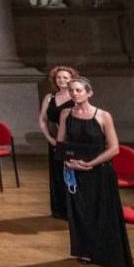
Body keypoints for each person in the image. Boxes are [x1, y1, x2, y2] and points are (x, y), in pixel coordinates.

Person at [54, 77, 132, 267]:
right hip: (75, 170)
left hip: (100, 172)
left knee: (102, 211)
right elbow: (61, 144)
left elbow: (113, 149)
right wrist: (69, 162)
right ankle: (86, 251)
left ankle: (106, 252)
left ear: (89, 93)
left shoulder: (103, 116)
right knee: (80, 213)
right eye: (72, 90)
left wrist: (90, 164)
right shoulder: (65, 114)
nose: (74, 94)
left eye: (79, 90)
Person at [38, 65, 78, 219]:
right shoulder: (50, 98)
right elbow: (42, 120)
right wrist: (50, 139)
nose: (62, 80)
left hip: (72, 141)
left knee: (72, 174)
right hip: (55, 141)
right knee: (58, 174)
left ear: (72, 80)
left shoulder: (76, 97)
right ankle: (61, 209)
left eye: (65, 78)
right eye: (59, 78)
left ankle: (75, 209)